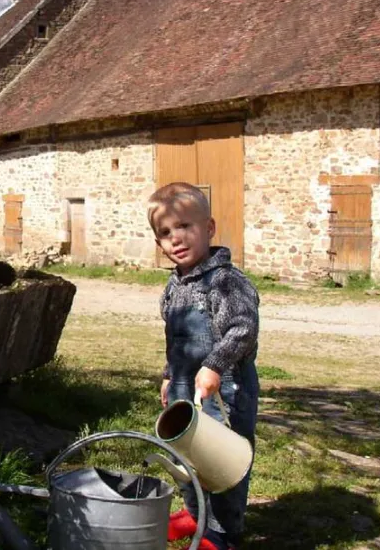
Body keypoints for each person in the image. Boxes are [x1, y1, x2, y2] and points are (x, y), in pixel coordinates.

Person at [148, 182, 260, 550]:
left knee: (219, 463)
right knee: (185, 457)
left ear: (209, 228)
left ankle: (222, 533)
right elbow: (177, 337)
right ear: (159, 244)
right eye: (165, 233)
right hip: (185, 384)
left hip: (224, 388)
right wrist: (170, 375)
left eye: (185, 227)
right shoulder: (174, 285)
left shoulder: (225, 281)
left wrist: (214, 365)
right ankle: (195, 515)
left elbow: (242, 330)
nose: (176, 239)